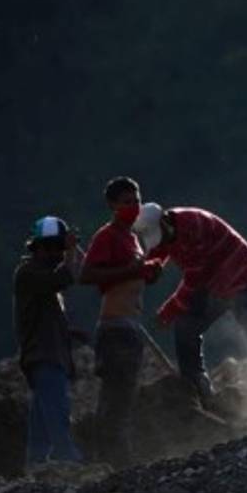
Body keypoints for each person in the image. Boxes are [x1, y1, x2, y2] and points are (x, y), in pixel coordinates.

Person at [132, 203, 247, 400]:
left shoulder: (194, 226)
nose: (161, 240)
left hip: (241, 275)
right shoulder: (166, 232)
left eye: (161, 235)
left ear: (165, 221)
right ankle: (197, 389)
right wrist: (142, 271)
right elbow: (157, 255)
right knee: (186, 327)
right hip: (213, 285)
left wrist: (169, 311)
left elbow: (195, 278)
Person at [79, 177, 161, 466]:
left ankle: (114, 461)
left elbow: (127, 274)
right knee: (115, 399)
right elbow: (87, 275)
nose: (134, 207)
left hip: (130, 324)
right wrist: (131, 270)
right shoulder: (108, 236)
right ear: (113, 205)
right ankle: (112, 463)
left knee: (124, 399)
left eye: (137, 201)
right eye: (126, 202)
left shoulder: (132, 238)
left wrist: (146, 274)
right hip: (115, 326)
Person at [13, 216, 85, 467]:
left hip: (50, 353)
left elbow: (49, 316)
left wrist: (71, 333)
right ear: (37, 248)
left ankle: (36, 462)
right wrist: (72, 250)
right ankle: (66, 456)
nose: (56, 253)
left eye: (59, 247)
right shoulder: (28, 274)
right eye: (51, 247)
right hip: (42, 354)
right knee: (57, 407)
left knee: (42, 413)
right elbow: (64, 277)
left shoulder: (42, 279)